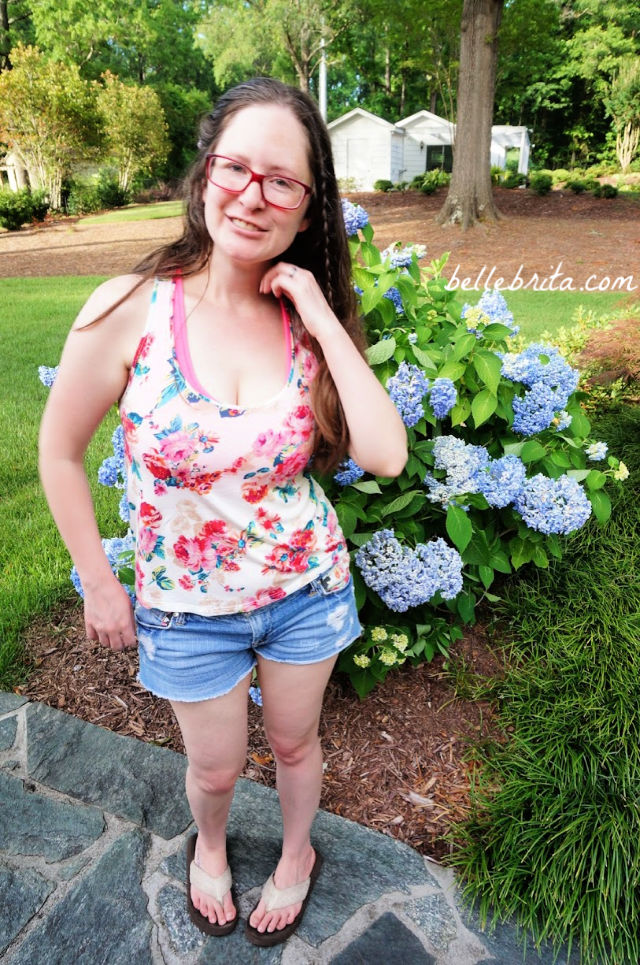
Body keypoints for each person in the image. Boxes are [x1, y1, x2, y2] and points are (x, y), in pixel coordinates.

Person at [39, 77, 407, 946]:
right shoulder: (131, 308)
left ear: (310, 207)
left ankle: (295, 854)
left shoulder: (305, 318)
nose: (253, 193)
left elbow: (385, 455)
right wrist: (99, 581)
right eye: (237, 167)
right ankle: (209, 844)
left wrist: (320, 308)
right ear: (205, 174)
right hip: (187, 609)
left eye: (283, 180)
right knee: (213, 766)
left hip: (304, 591)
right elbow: (59, 452)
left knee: (292, 747)